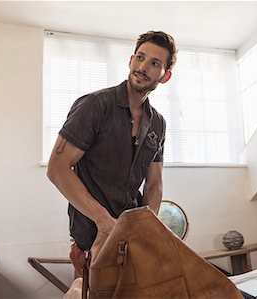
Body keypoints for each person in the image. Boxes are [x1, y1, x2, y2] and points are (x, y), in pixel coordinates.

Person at [47, 31, 178, 278]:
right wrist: (105, 223)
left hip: (132, 240)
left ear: (165, 76)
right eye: (140, 57)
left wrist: (145, 230)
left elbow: (154, 184)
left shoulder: (158, 123)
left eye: (154, 63)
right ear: (130, 60)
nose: (143, 67)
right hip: (92, 239)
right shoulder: (94, 105)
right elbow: (57, 169)